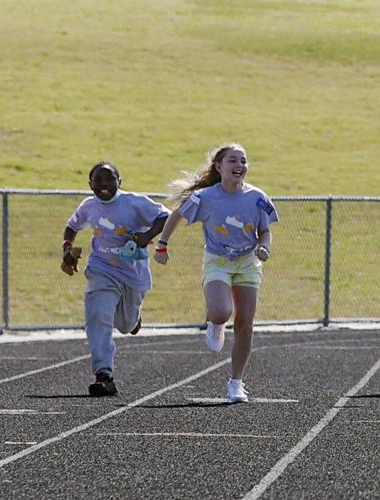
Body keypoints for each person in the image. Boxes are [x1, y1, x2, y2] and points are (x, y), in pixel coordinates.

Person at [155, 143, 279, 403]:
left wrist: (264, 247)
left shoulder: (258, 197)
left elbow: (265, 230)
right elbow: (177, 215)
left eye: (243, 161)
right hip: (218, 260)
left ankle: (236, 383)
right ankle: (215, 322)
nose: (239, 166)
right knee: (223, 311)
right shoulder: (205, 197)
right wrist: (163, 244)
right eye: (233, 161)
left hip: (247, 262)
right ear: (219, 167)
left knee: (245, 323)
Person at [60, 162, 170, 396]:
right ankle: (104, 374)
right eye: (97, 180)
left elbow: (165, 216)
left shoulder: (134, 202)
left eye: (109, 179)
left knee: (125, 325)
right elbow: (72, 226)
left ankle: (134, 319)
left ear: (120, 182)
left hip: (132, 274)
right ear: (89, 184)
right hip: (101, 270)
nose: (103, 185)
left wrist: (147, 235)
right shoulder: (89, 206)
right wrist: (66, 249)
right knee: (98, 316)